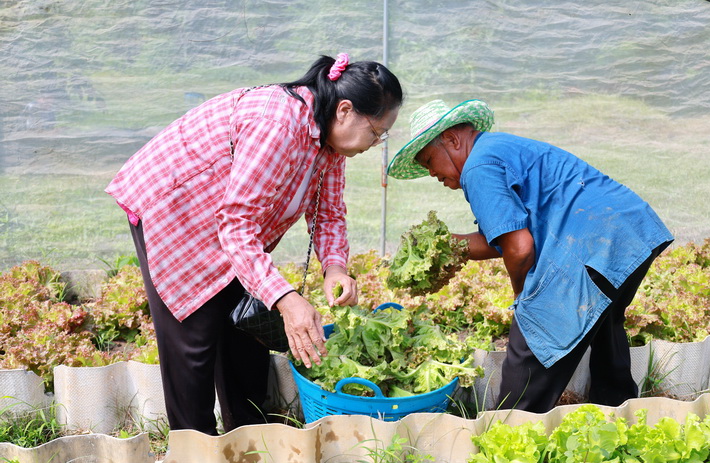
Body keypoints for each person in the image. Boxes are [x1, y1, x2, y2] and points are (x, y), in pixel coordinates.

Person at [106, 54, 403, 433]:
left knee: (246, 327)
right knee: (195, 338)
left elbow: (328, 212)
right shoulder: (277, 125)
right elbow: (237, 226)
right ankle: (195, 450)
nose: (376, 143)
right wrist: (287, 299)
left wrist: (335, 267)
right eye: (376, 132)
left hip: (229, 220)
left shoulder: (330, 139)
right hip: (177, 209)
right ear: (345, 110)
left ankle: (248, 434)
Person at [387, 99, 673, 413]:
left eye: (429, 161)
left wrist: (524, 299)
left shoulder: (477, 167)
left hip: (590, 244)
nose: (431, 173)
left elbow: (520, 248)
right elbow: (508, 234)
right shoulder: (496, 148)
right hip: (628, 232)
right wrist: (450, 246)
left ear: (453, 139)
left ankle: (508, 430)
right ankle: (618, 414)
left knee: (531, 345)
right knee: (605, 327)